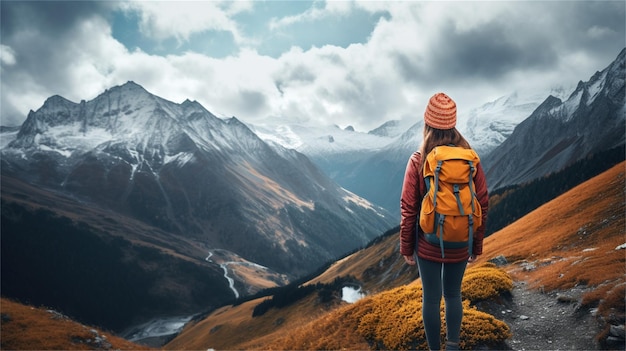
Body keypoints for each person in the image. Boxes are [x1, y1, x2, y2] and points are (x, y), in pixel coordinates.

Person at [400, 92, 489, 351]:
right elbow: (482, 202)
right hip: (461, 240)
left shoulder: (419, 159)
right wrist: (476, 245)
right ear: (453, 124)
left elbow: (408, 208)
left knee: (431, 298)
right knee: (453, 294)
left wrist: (407, 247)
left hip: (428, 241)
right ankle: (452, 345)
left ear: (427, 123)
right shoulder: (470, 159)